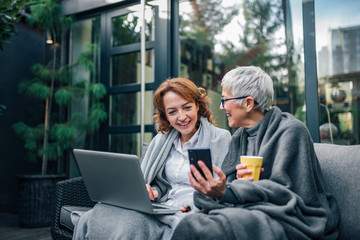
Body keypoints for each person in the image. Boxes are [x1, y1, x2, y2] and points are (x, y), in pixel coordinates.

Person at [171, 66, 340, 239]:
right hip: (249, 209)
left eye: (225, 100)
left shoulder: (292, 131)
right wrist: (215, 187)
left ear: (248, 103)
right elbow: (230, 188)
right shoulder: (239, 138)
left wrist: (234, 189)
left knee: (211, 229)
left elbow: (289, 192)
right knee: (190, 223)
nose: (221, 107)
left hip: (292, 216)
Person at [72, 77, 231, 239]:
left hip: (191, 209)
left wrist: (193, 203)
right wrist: (150, 191)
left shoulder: (220, 139)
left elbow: (224, 187)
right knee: (102, 210)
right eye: (172, 112)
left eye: (187, 107)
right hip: (161, 205)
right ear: (165, 115)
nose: (182, 117)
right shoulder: (161, 141)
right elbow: (159, 184)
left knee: (132, 224)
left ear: (197, 105)